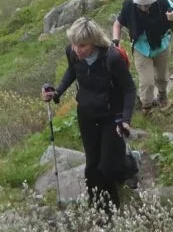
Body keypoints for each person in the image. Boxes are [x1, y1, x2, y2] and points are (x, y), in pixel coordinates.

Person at [43, 17, 138, 212]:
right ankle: (98, 206)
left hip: (113, 116)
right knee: (92, 166)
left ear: (94, 41)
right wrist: (57, 92)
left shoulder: (112, 58)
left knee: (108, 168)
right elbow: (72, 71)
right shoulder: (72, 52)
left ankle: (110, 210)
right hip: (86, 114)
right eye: (74, 44)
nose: (77, 50)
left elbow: (129, 88)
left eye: (83, 45)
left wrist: (126, 120)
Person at [112, 0, 173, 110]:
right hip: (141, 48)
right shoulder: (128, 6)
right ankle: (147, 106)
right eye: (142, 3)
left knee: (162, 77)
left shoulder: (162, 1)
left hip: (161, 45)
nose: (145, 6)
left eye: (148, 3)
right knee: (147, 82)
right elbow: (117, 24)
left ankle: (162, 95)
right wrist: (115, 42)